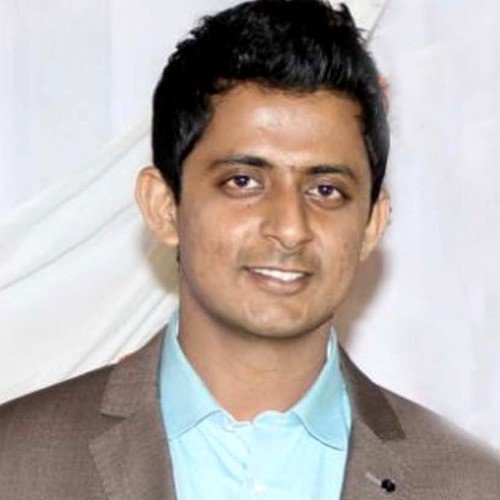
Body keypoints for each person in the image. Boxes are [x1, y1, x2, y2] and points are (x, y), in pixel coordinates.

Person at [0, 0, 499, 498]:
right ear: (164, 206)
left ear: (372, 223)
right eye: (243, 181)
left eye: (326, 190)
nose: (290, 227)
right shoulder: (15, 463)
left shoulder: (470, 484)